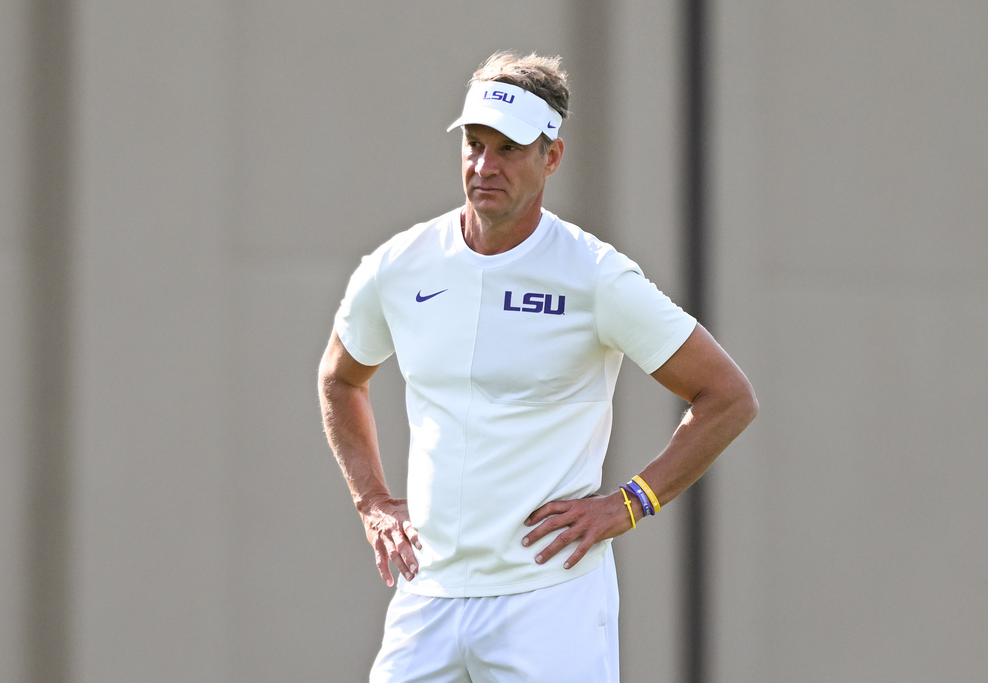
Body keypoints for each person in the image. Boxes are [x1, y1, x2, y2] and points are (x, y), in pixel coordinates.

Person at [318, 51, 758, 683]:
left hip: (549, 602)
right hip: (427, 595)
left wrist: (630, 503)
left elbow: (727, 396)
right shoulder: (399, 266)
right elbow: (340, 377)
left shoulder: (596, 276)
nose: (483, 166)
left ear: (552, 156)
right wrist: (371, 501)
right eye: (474, 144)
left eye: (509, 149)